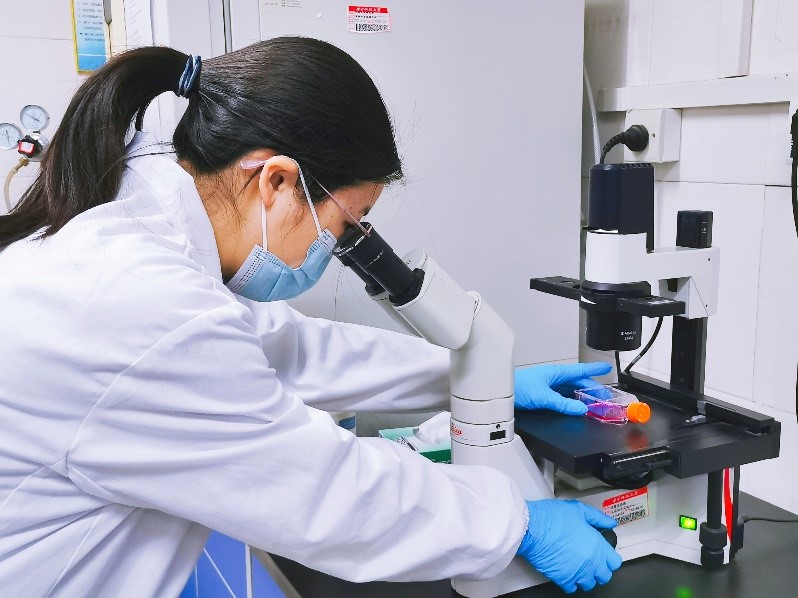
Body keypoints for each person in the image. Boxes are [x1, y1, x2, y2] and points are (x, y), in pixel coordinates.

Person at [0, 38, 621, 596]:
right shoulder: (142, 305)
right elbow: (325, 494)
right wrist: (513, 524)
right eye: (345, 225)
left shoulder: (136, 244)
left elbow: (288, 350)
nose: (336, 248)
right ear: (276, 181)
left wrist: (474, 377)